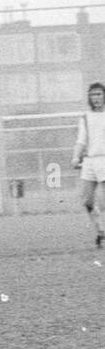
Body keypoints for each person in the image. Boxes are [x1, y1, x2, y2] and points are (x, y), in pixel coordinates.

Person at [71, 82, 105, 248]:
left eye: (99, 94)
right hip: (90, 161)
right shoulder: (85, 117)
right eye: (93, 95)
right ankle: (101, 230)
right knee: (87, 201)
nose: (96, 98)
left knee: (104, 201)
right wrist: (75, 157)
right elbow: (81, 140)